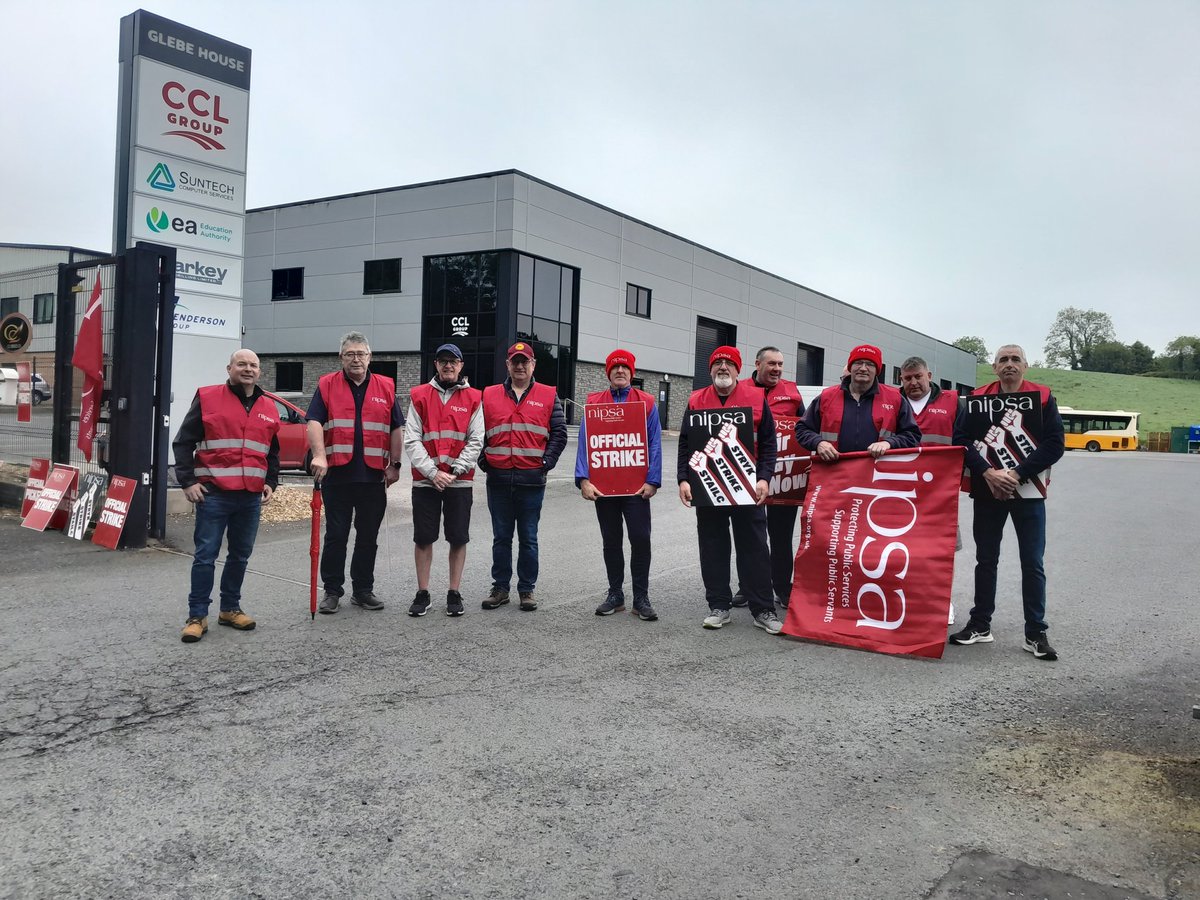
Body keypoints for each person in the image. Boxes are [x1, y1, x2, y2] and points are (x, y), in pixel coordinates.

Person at [950, 344, 1064, 661]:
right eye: (1004, 360)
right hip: (988, 490)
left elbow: (1055, 443)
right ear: (994, 367)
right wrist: (987, 471)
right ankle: (980, 625)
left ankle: (1035, 632)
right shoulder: (977, 398)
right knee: (986, 560)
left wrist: (1016, 474)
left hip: (1028, 491)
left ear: (1025, 365)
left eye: (1015, 359)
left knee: (1033, 562)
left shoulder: (1042, 396)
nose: (1009, 364)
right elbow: (960, 439)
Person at [173, 349, 280, 643]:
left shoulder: (267, 406)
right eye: (241, 364)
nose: (248, 369)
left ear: (260, 371)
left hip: (250, 497)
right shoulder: (208, 398)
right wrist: (187, 481)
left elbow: (272, 451)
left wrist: (271, 481)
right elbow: (183, 442)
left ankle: (230, 609)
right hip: (214, 494)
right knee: (205, 556)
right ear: (229, 368)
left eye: (253, 365)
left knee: (240, 556)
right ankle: (197, 616)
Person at [677, 345, 784, 634]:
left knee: (755, 548)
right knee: (713, 547)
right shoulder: (696, 399)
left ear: (738, 369)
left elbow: (769, 444)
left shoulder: (756, 397)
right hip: (708, 486)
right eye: (717, 364)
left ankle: (763, 609)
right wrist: (683, 479)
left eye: (729, 364)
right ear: (710, 369)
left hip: (747, 488)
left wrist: (764, 478)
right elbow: (685, 443)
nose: (723, 368)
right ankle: (719, 605)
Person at [307, 332, 405, 614]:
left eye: (361, 353)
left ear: (370, 357)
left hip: (373, 477)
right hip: (337, 476)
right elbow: (314, 421)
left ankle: (362, 590)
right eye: (350, 354)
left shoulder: (386, 386)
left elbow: (396, 427)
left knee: (367, 536)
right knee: (336, 535)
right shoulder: (327, 385)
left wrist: (395, 465)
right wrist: (319, 455)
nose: (356, 359)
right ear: (341, 358)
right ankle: (332, 591)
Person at [479, 341, 568, 612]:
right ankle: (501, 588)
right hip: (499, 478)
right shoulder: (488, 395)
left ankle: (527, 589)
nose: (520, 366)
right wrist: (485, 460)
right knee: (501, 537)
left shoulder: (548, 395)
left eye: (524, 361)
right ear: (507, 365)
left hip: (531, 479)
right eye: (515, 361)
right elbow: (476, 432)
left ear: (533, 365)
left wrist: (545, 463)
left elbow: (559, 433)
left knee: (528, 537)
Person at [575, 349, 663, 621]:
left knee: (640, 539)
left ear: (632, 372)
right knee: (610, 540)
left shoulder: (646, 402)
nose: (620, 372)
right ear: (608, 373)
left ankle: (641, 596)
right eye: (615, 368)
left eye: (625, 368)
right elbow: (584, 442)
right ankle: (616, 594)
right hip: (604, 488)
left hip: (637, 488)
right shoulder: (595, 402)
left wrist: (653, 480)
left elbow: (655, 443)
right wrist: (584, 479)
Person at [403, 343, 484, 618]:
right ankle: (423, 592)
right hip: (427, 481)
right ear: (435, 365)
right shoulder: (419, 396)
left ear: (461, 365)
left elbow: (476, 440)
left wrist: (456, 470)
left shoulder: (475, 398)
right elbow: (411, 439)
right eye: (442, 361)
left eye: (453, 361)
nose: (448, 365)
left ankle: (453, 592)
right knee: (424, 538)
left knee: (458, 538)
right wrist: (432, 472)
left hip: (458, 481)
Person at [736, 345, 805, 609]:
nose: (776, 369)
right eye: (771, 364)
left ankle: (781, 587)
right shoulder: (740, 389)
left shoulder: (793, 392)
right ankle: (747, 586)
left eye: (780, 364)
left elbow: (807, 426)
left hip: (784, 476)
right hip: (747, 475)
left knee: (781, 536)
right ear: (757, 364)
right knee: (749, 536)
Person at [899, 355, 961, 625]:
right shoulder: (891, 401)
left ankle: (941, 600)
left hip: (938, 489)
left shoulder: (953, 402)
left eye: (918, 377)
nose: (913, 383)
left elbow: (965, 440)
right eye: (907, 378)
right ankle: (907, 598)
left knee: (939, 548)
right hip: (899, 487)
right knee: (901, 546)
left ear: (929, 376)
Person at [795, 343, 921, 459]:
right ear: (850, 367)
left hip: (877, 475)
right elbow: (802, 429)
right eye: (858, 363)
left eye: (870, 364)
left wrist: (889, 443)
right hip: (833, 473)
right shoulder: (827, 396)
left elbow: (912, 435)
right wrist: (818, 443)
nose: (863, 368)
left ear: (877, 370)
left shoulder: (895, 398)